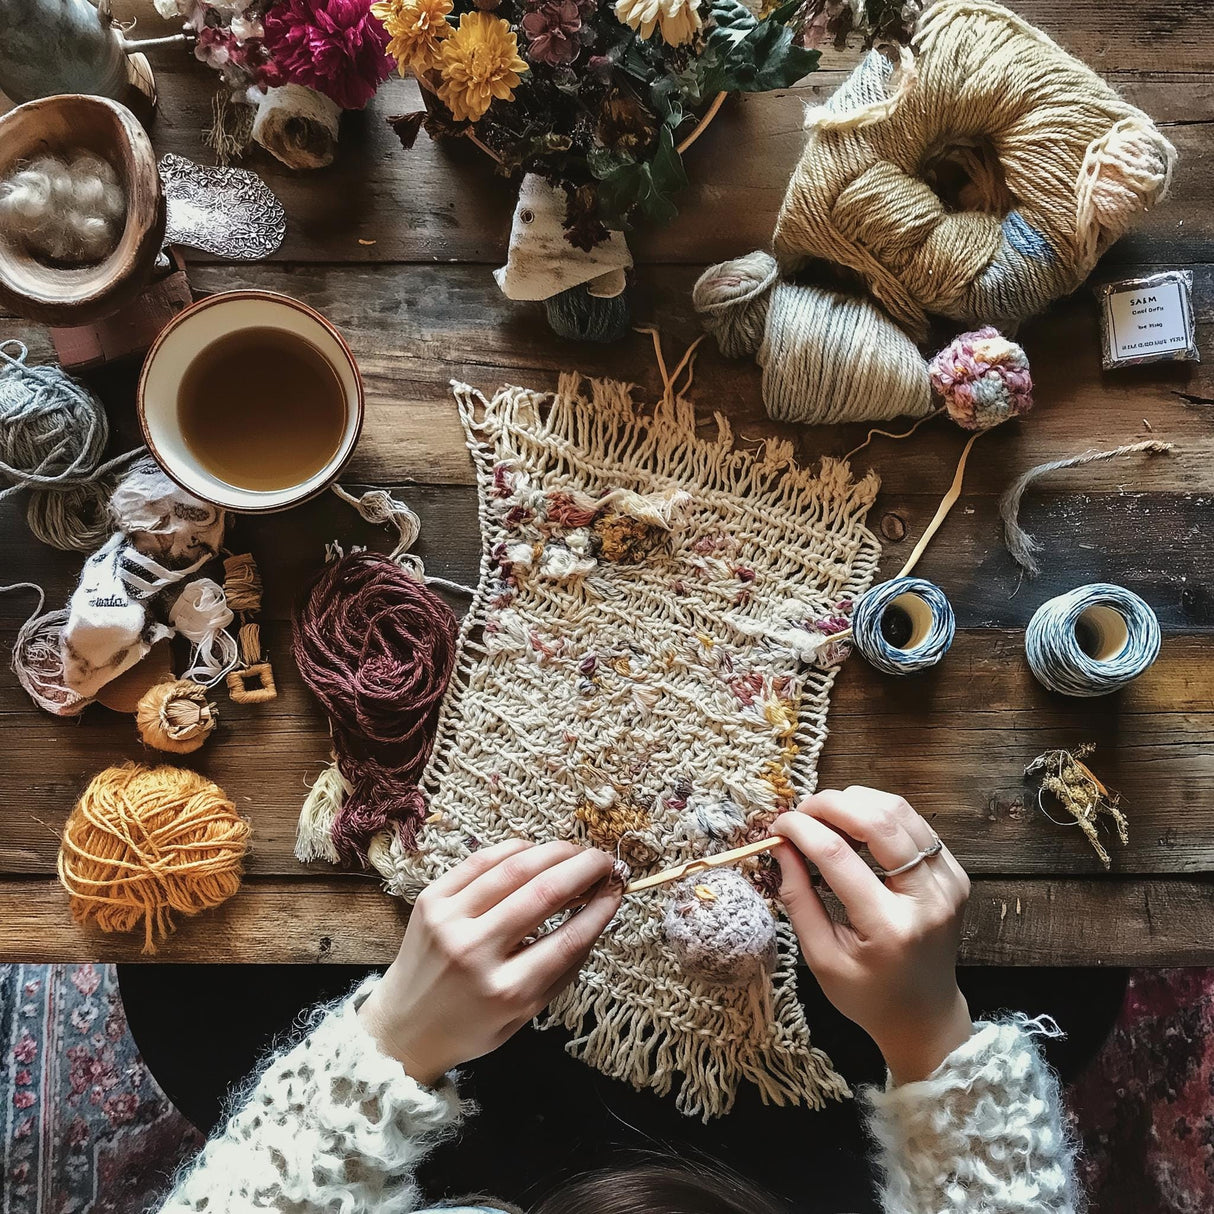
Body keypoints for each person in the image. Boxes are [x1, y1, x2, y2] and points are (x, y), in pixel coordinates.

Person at [154, 787, 1081, 1213]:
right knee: (1076, 993)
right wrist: (930, 1035)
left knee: (173, 1003)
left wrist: (391, 1042)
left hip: (464, 1154)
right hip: (792, 1163)